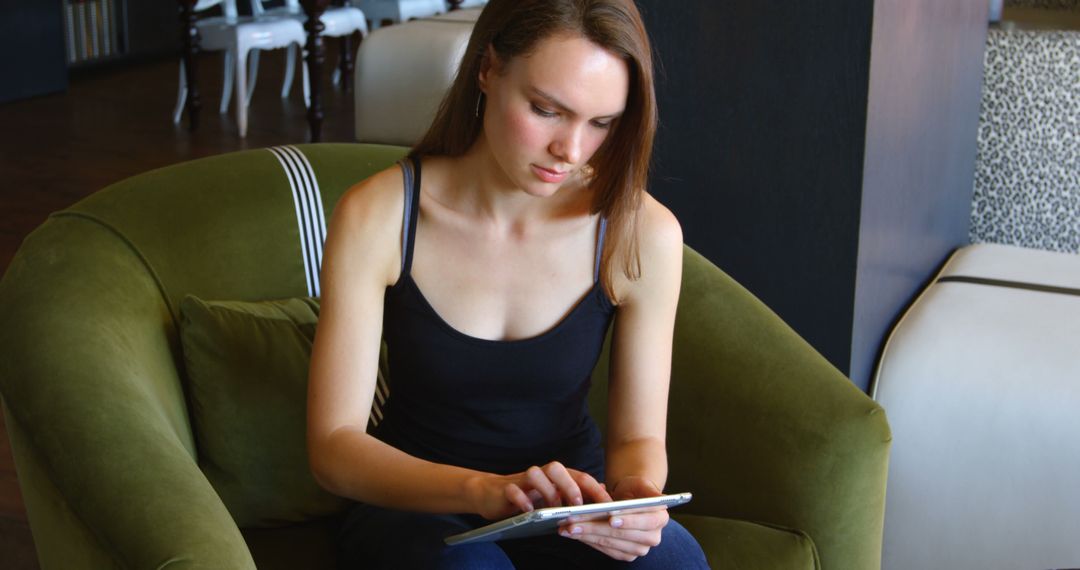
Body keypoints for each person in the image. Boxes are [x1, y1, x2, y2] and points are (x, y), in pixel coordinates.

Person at [307, 0, 708, 567]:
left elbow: (638, 442)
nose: (569, 151)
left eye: (601, 123)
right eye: (546, 109)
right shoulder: (380, 215)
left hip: (570, 505)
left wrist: (636, 503)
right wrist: (484, 491)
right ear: (488, 69)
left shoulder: (640, 231)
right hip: (418, 505)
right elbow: (333, 451)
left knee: (672, 561)